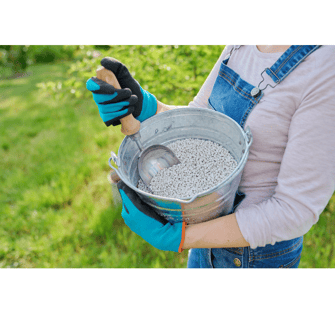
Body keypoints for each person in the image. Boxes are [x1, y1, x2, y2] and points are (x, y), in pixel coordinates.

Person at [86, 45, 335, 268]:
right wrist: (147, 108)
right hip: (203, 236)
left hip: (255, 259)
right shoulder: (242, 43)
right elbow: (202, 119)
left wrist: (181, 237)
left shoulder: (325, 67)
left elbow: (294, 211)